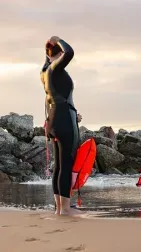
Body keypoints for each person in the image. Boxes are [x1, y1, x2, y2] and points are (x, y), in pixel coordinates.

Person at [40, 36, 83, 216]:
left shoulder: (44, 71)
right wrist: (59, 39)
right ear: (58, 55)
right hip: (64, 118)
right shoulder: (56, 68)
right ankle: (65, 208)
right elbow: (70, 52)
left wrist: (74, 114)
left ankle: (59, 207)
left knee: (59, 165)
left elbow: (57, 97)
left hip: (55, 118)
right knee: (66, 164)